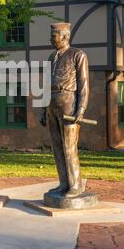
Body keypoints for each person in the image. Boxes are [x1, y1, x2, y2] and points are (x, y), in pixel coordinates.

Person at [41, 22, 89, 197]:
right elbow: (46, 85)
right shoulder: (51, 58)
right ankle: (63, 183)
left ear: (65, 36)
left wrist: (80, 109)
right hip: (51, 104)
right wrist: (43, 110)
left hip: (69, 103)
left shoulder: (78, 55)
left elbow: (84, 85)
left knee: (69, 147)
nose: (50, 38)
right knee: (57, 147)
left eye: (54, 35)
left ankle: (75, 185)